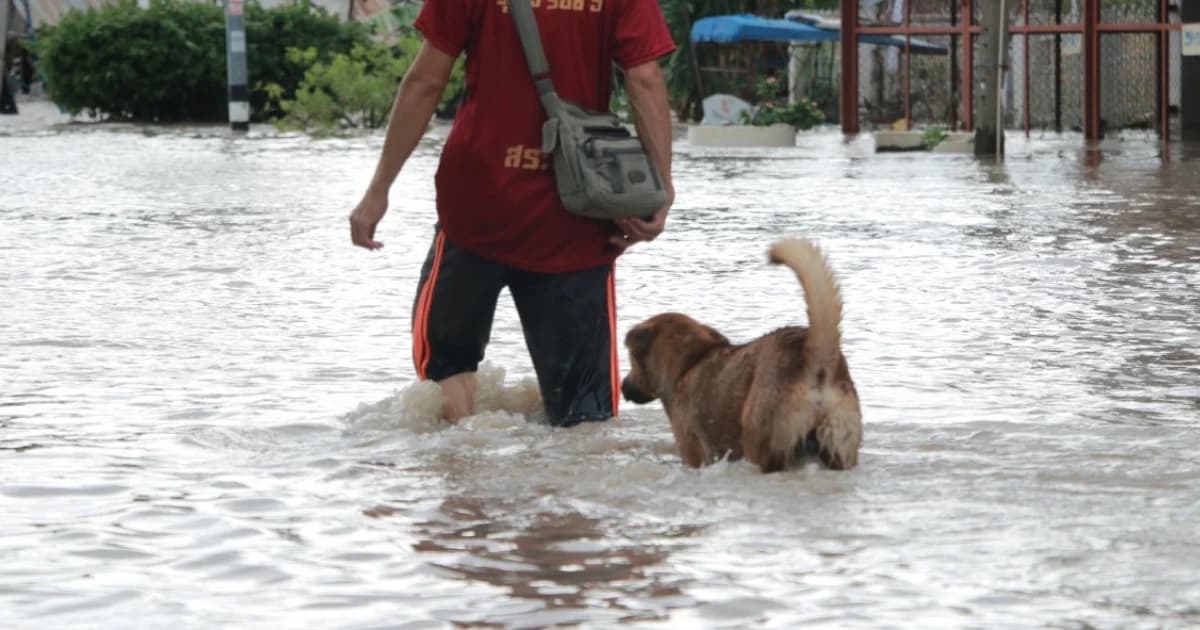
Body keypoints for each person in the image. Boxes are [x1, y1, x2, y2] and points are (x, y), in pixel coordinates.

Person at [348, 0, 676, 427]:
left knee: (447, 374)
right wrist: (659, 188)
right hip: (576, 211)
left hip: (477, 207)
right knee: (582, 417)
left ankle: (459, 486)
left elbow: (427, 81)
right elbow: (644, 78)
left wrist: (378, 190)